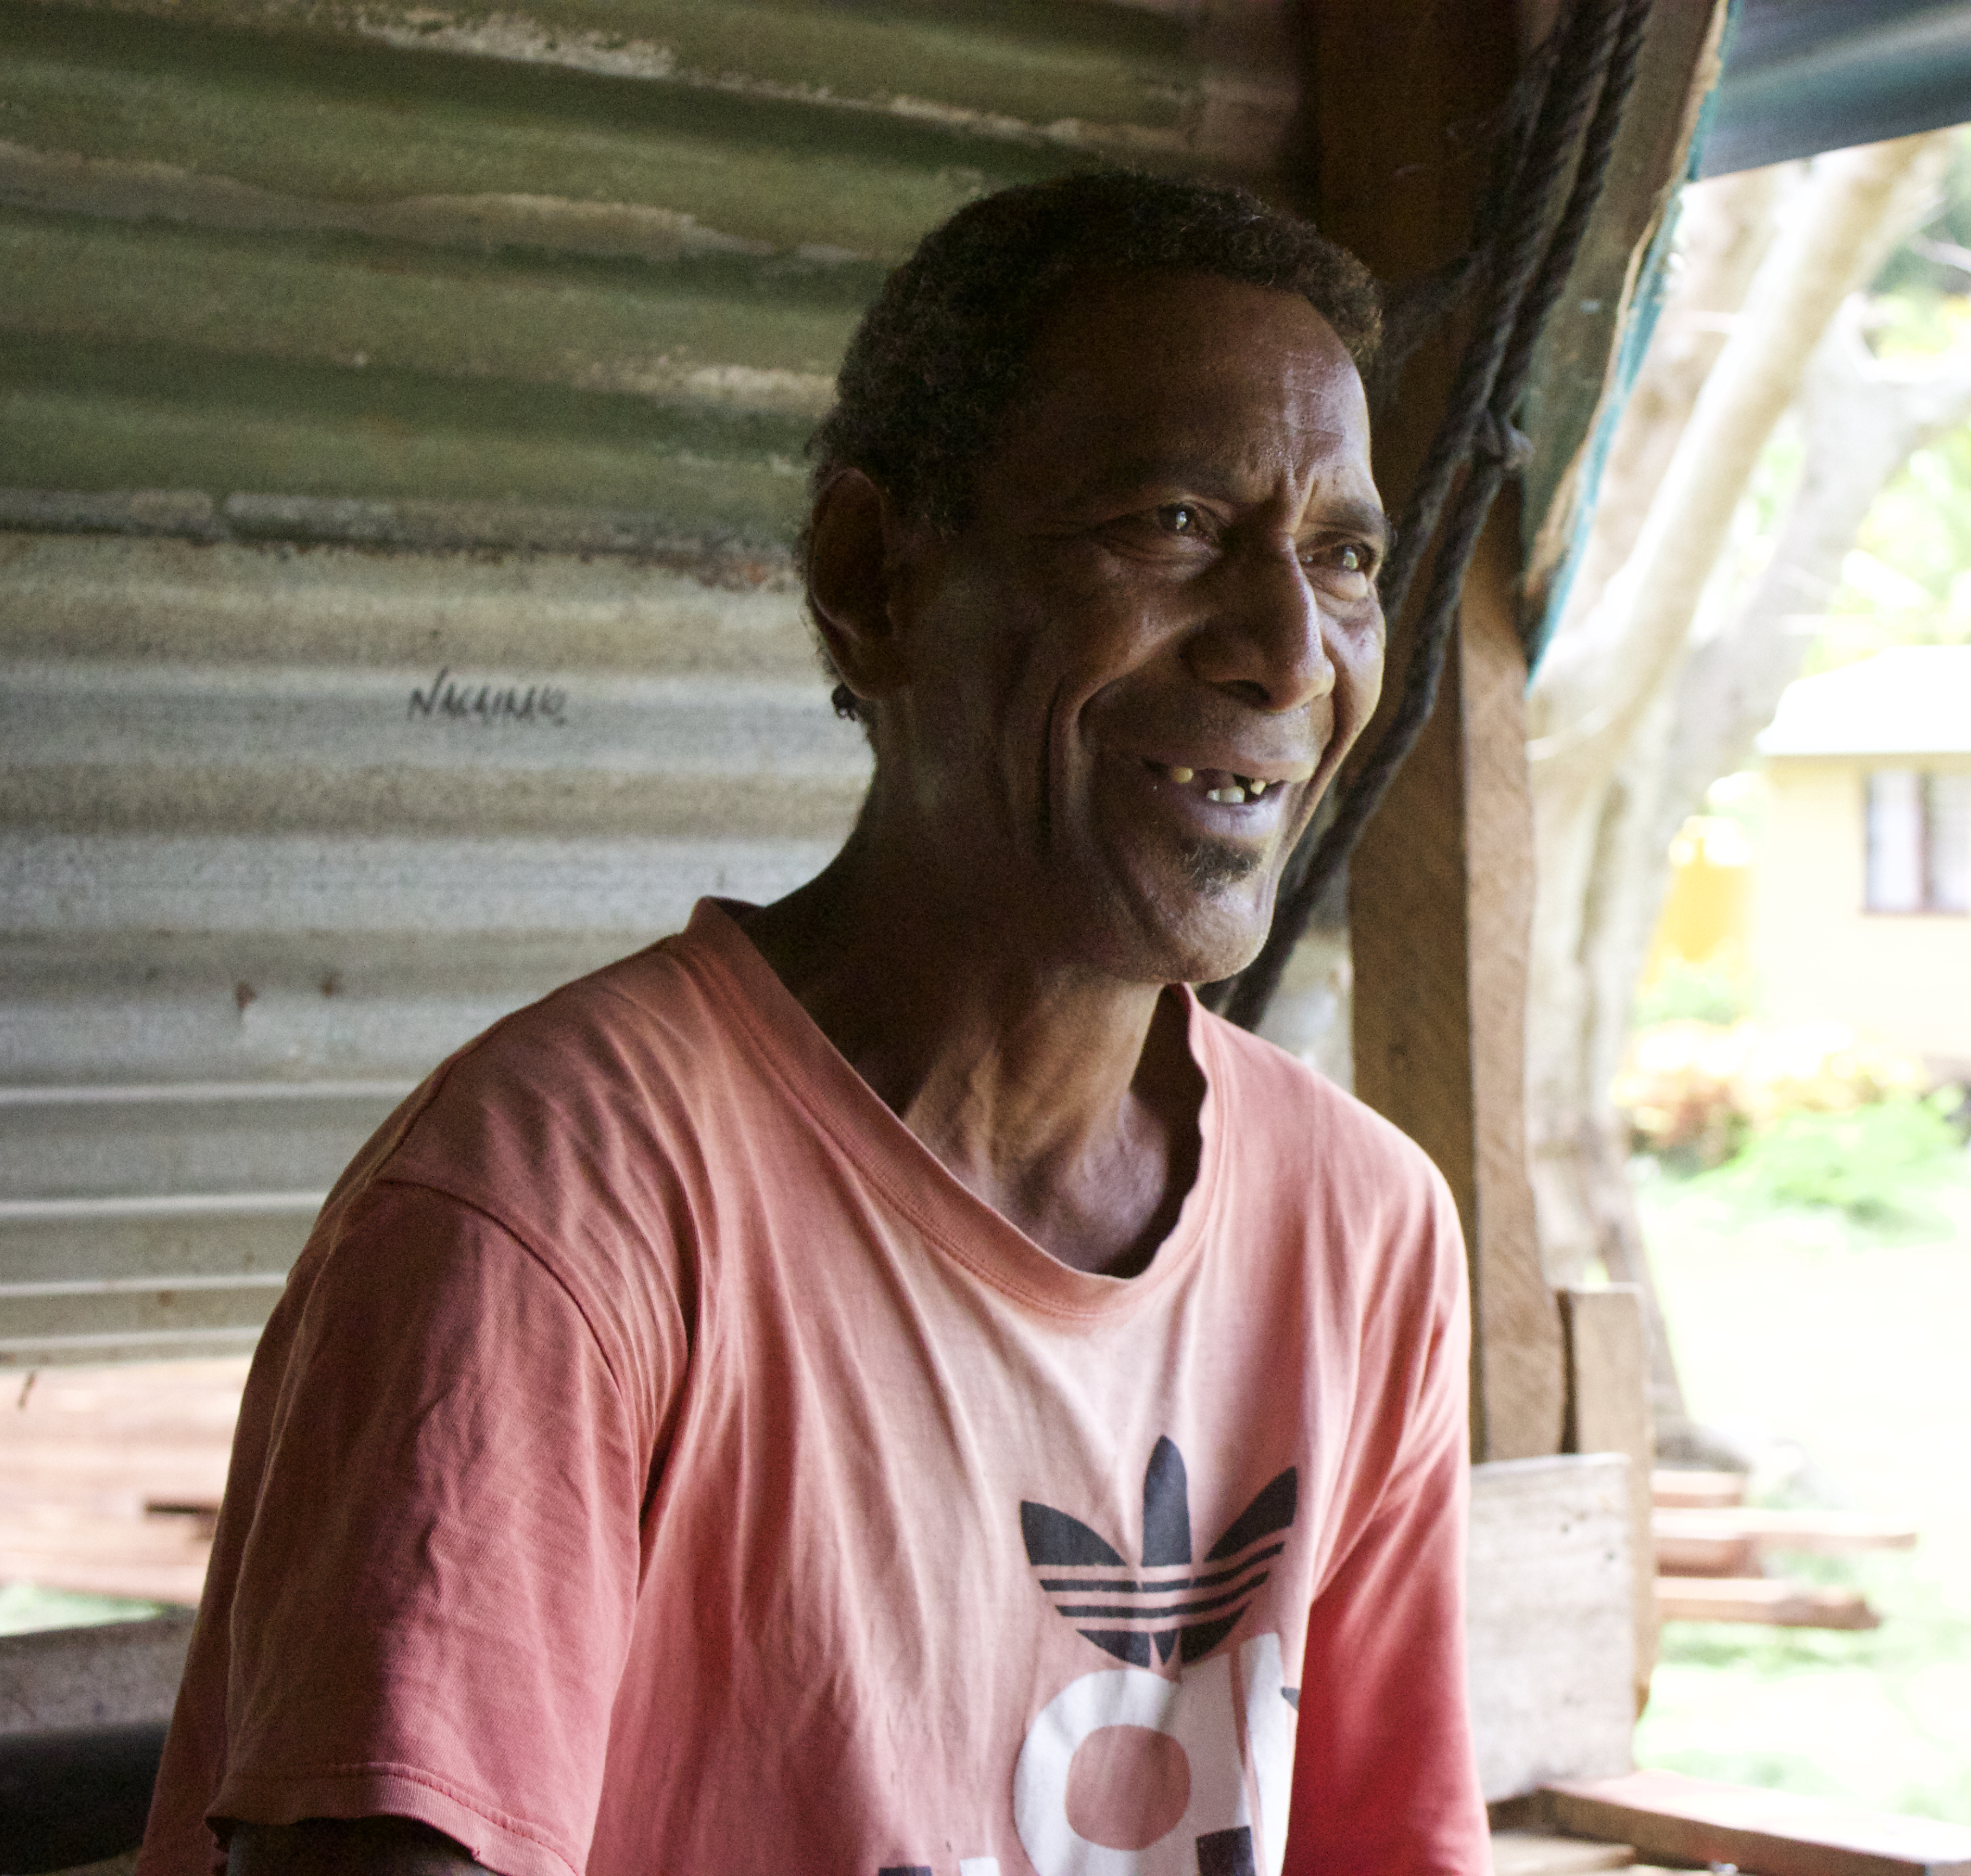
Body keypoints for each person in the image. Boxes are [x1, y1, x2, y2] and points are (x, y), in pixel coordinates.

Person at [140, 171, 1489, 1876]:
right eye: (1171, 528)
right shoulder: (558, 1208)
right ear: (877, 577)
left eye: (1345, 557)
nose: (1295, 652)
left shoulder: (1360, 1231)